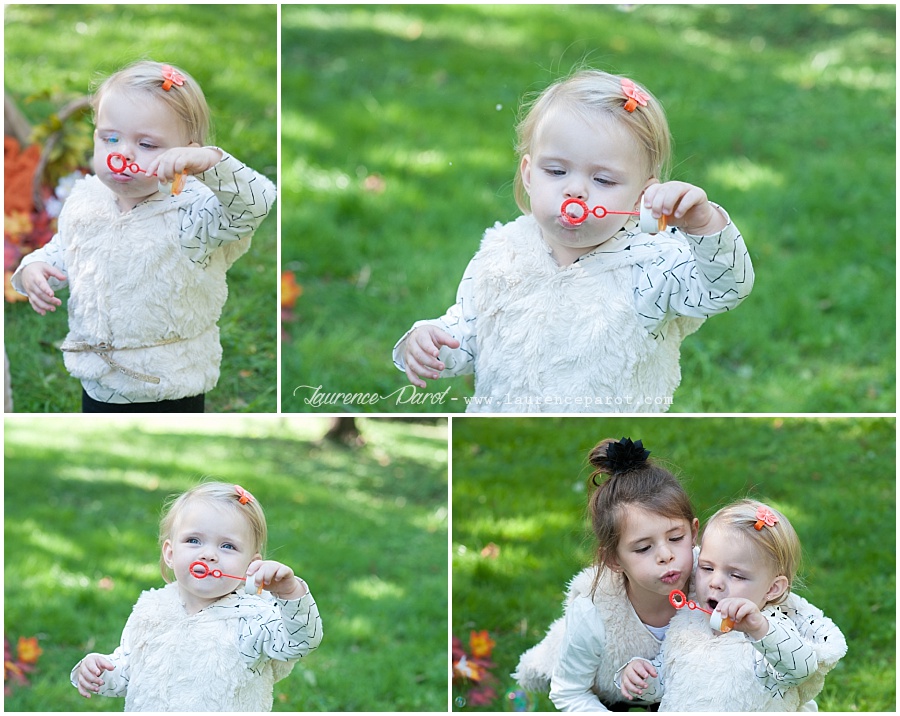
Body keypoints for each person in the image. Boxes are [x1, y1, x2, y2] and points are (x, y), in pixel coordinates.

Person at [393, 69, 753, 413]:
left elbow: (725, 289)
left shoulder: (654, 264)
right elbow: (471, 330)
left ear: (643, 194)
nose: (576, 190)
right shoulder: (503, 251)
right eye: (557, 171)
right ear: (529, 174)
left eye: (604, 180)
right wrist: (433, 340)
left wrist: (704, 224)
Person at [11, 60, 276, 412]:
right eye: (110, 138)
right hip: (100, 378)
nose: (123, 154)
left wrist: (212, 162)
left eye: (147, 144)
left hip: (170, 381)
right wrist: (37, 266)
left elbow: (255, 205)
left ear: (187, 154)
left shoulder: (192, 215)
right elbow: (66, 247)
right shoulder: (87, 198)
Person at [70, 482, 322, 711]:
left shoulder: (252, 618)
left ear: (251, 564)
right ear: (170, 553)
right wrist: (99, 670)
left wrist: (290, 593)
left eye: (227, 546)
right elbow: (128, 672)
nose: (209, 555)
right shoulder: (151, 610)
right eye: (193, 540)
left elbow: (300, 641)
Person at [513, 437, 699, 710]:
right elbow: (569, 692)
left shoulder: (714, 578)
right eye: (644, 547)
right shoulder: (594, 613)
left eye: (676, 538)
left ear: (694, 532)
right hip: (605, 695)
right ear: (613, 559)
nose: (665, 555)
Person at [615, 500, 846, 711]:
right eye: (706, 568)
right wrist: (643, 677)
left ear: (772, 589)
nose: (715, 583)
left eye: (736, 575)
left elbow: (800, 670)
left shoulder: (770, 633)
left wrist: (759, 629)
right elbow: (668, 681)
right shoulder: (688, 622)